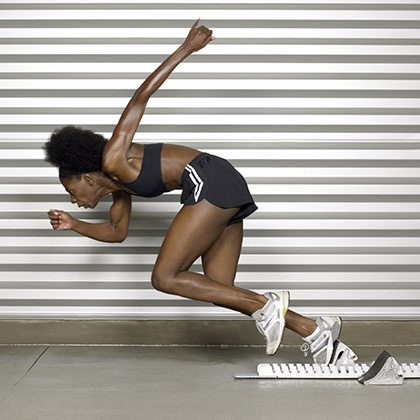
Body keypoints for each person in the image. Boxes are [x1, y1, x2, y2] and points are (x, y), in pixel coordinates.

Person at [44, 19, 343, 364]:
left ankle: (270, 307)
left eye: (71, 190)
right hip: (223, 184)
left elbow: (140, 99)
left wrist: (185, 49)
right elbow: (117, 232)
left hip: (208, 178)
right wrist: (74, 224)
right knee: (220, 288)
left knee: (164, 277)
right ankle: (316, 329)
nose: (73, 199)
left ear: (87, 177)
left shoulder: (113, 157)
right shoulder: (120, 190)